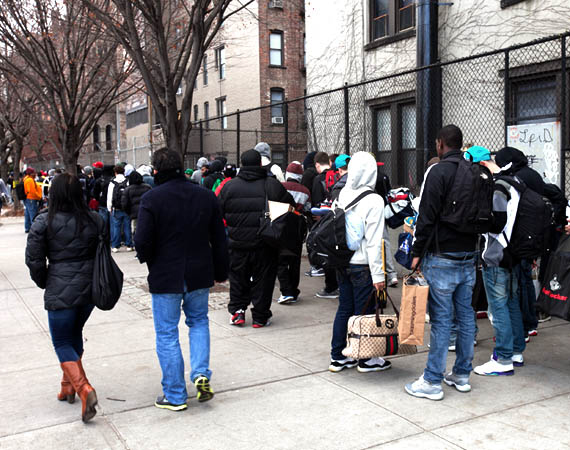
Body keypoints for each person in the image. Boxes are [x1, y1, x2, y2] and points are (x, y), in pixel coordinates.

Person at [135, 148, 228, 411]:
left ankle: (175, 394)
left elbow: (142, 241)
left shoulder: (152, 199)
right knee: (198, 322)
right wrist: (221, 272)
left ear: (156, 170)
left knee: (167, 333)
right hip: (199, 272)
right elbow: (220, 240)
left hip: (166, 275)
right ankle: (200, 374)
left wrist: (150, 259)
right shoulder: (205, 196)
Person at [405, 125, 477, 401]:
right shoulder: (475, 171)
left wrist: (416, 251)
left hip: (441, 255)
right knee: (466, 315)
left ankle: (433, 381)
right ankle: (461, 375)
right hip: (469, 256)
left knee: (442, 319)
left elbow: (426, 217)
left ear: (440, 144)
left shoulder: (438, 172)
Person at [25, 173, 103, 423]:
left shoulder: (42, 222)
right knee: (74, 334)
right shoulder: (94, 219)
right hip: (89, 289)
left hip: (60, 286)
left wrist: (44, 281)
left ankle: (83, 388)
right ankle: (67, 387)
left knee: (61, 341)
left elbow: (34, 260)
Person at [329, 151, 391, 373]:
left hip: (343, 260)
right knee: (365, 312)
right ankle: (366, 359)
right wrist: (379, 276)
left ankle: (339, 356)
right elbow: (375, 242)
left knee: (345, 308)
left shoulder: (343, 193)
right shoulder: (374, 200)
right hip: (363, 265)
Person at [219, 149, 294, 327]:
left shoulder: (229, 186)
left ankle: (237, 312)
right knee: (264, 279)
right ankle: (260, 316)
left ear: (242, 164)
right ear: (260, 164)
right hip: (265, 242)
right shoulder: (272, 185)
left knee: (237, 278)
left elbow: (218, 211)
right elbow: (289, 205)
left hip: (237, 243)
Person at [471, 148, 525, 376]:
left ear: (481, 166)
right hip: (513, 252)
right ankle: (515, 351)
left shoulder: (499, 186)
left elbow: (496, 222)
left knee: (498, 305)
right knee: (511, 302)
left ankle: (503, 358)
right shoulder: (516, 182)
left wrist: (477, 222)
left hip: (496, 253)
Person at [495, 146, 546, 333]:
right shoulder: (533, 175)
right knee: (526, 281)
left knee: (519, 284)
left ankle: (525, 325)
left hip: (519, 238)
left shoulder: (517, 179)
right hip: (533, 236)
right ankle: (531, 321)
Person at [277, 162, 311, 304]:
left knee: (281, 260)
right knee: (295, 260)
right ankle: (294, 291)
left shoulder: (280, 187)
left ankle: (286, 291)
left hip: (281, 226)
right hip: (298, 227)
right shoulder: (305, 191)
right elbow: (308, 209)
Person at [312, 152, 339, 299]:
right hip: (338, 217)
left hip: (324, 219)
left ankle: (331, 287)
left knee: (326, 253)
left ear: (317, 164)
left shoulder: (318, 180)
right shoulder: (337, 176)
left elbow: (317, 200)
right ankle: (338, 284)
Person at [374, 163, 399, 287]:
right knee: (385, 243)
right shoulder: (383, 176)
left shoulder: (368, 178)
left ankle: (383, 274)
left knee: (373, 244)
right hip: (383, 212)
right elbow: (388, 193)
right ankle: (391, 274)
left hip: (372, 214)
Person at [107, 165, 133, 252]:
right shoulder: (127, 181)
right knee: (127, 227)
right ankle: (129, 245)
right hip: (126, 208)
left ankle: (115, 246)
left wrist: (109, 207)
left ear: (115, 172)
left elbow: (110, 196)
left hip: (116, 208)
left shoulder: (112, 182)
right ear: (124, 172)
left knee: (116, 227)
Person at [23, 167, 43, 233]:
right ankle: (34, 229)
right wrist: (39, 197)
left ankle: (27, 228)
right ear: (31, 173)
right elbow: (32, 192)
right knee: (33, 214)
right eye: (33, 172)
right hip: (31, 199)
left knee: (28, 214)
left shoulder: (26, 179)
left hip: (27, 199)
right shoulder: (30, 180)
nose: (35, 174)